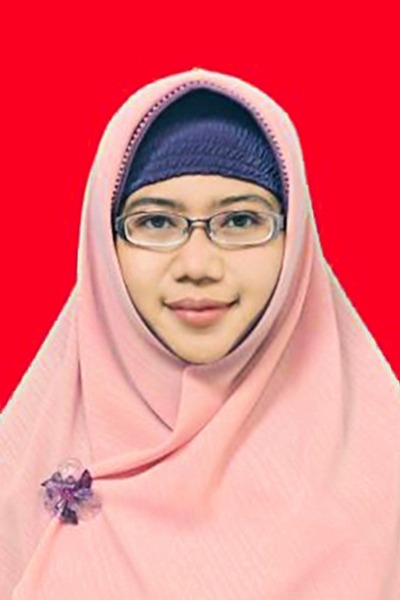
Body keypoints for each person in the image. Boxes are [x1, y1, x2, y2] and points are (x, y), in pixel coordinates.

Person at [1, 67, 399, 599]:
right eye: (155, 222)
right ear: (103, 243)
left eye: (241, 221)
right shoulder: (18, 474)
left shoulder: (386, 469)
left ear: (296, 238)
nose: (198, 265)